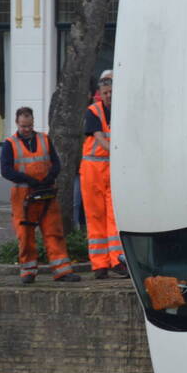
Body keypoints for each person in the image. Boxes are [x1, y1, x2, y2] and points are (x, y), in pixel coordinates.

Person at [0, 107, 81, 284]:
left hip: (46, 193)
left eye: (29, 126)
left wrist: (49, 178)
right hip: (23, 196)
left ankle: (62, 271)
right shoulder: (10, 144)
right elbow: (5, 170)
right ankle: (28, 272)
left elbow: (56, 163)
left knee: (54, 232)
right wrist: (29, 180)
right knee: (25, 235)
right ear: (17, 123)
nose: (27, 129)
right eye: (23, 126)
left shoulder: (44, 139)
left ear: (33, 122)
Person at [81, 70, 128, 279]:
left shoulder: (122, 112)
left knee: (114, 217)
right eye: (105, 92)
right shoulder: (93, 111)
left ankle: (117, 261)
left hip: (113, 170)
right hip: (93, 171)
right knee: (95, 216)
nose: (109, 96)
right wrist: (120, 153)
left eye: (111, 92)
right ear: (100, 93)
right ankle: (99, 264)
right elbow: (99, 138)